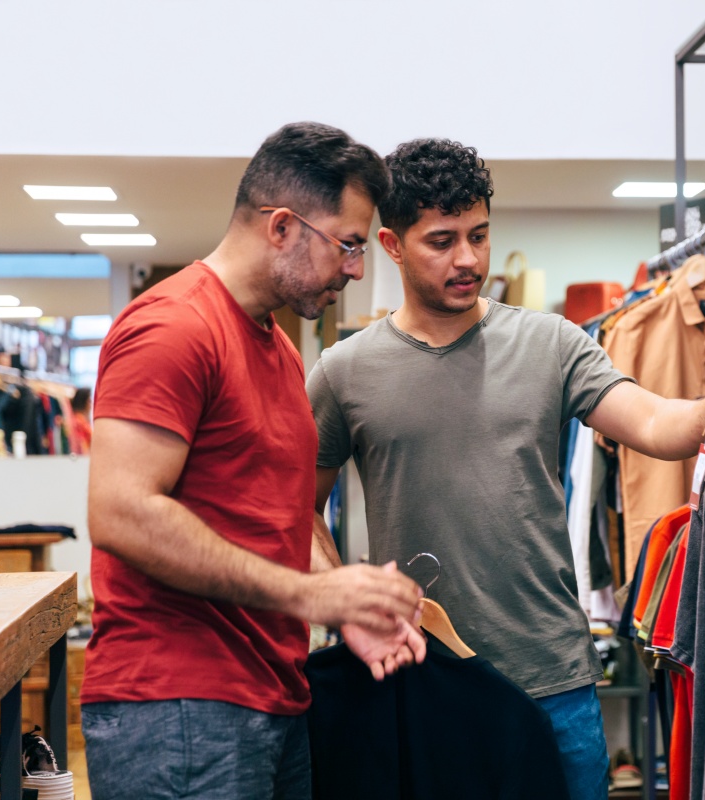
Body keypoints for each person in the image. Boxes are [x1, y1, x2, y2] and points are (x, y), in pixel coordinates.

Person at [307, 137, 705, 800]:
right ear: (392, 244)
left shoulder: (550, 343)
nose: (468, 259)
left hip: (553, 680)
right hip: (424, 680)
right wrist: (347, 599)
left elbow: (649, 422)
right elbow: (293, 509)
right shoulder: (345, 373)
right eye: (442, 241)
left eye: (480, 234)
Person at [82, 122, 424, 800]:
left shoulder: (279, 349)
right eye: (349, 245)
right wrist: (307, 594)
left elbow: (285, 516)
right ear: (281, 227)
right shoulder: (174, 326)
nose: (356, 268)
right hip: (177, 708)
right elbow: (121, 511)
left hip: (271, 698)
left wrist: (342, 597)